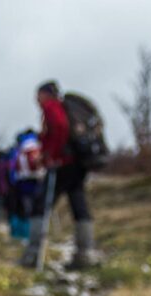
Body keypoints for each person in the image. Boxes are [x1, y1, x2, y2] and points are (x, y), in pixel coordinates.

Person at [20, 80, 98, 270]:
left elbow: (60, 128)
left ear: (45, 94)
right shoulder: (64, 107)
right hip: (76, 164)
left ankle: (33, 254)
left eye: (37, 95)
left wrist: (50, 155)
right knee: (78, 204)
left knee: (41, 204)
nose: (36, 100)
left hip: (62, 164)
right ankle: (86, 253)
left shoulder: (51, 106)